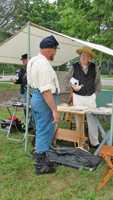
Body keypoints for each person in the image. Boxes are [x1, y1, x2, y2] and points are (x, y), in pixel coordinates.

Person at [27, 35, 60, 175]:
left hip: (36, 97)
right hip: (44, 99)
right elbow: (46, 90)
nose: (56, 53)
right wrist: (54, 110)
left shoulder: (32, 61)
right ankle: (40, 166)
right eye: (55, 50)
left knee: (42, 129)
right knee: (44, 131)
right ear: (50, 50)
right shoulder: (44, 64)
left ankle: (44, 160)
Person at [63, 46, 102, 148]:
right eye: (82, 55)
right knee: (79, 119)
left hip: (90, 96)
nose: (83, 57)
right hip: (77, 97)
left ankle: (94, 141)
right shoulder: (74, 67)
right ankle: (81, 141)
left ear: (89, 58)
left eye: (85, 56)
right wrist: (72, 86)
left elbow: (98, 83)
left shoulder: (94, 68)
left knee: (92, 119)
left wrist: (95, 95)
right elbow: (65, 81)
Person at [10, 54, 34, 131]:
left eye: (24, 59)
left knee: (33, 109)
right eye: (22, 59)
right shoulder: (22, 69)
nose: (23, 61)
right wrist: (15, 81)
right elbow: (20, 80)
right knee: (25, 108)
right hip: (24, 91)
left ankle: (36, 127)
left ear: (28, 59)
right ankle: (29, 125)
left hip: (32, 91)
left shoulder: (33, 68)